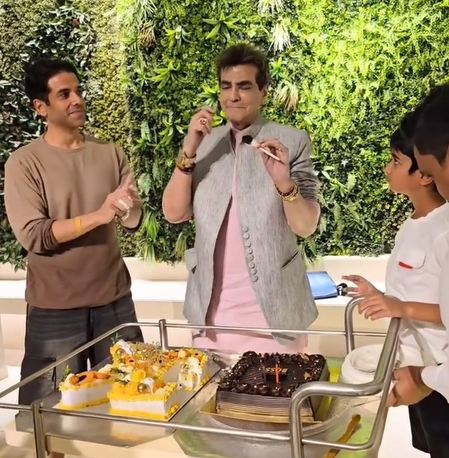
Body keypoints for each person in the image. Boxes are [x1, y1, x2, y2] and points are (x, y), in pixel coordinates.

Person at [4, 59, 144, 458]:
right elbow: (35, 235)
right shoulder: (24, 163)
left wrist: (128, 210)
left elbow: (133, 220)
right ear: (40, 107)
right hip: (55, 309)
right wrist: (99, 215)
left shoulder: (110, 153)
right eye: (64, 94)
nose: (76, 100)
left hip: (115, 302)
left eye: (78, 91)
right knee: (48, 422)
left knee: (131, 405)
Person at [162, 43, 320, 354]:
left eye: (244, 86)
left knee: (279, 387)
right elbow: (174, 213)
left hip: (276, 314)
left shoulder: (291, 140)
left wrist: (283, 182)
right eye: (226, 86)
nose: (233, 96)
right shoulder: (204, 143)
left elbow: (306, 226)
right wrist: (189, 150)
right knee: (211, 387)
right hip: (211, 314)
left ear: (263, 92)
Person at [343, 109, 449, 457]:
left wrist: (400, 306)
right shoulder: (411, 224)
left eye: (396, 161)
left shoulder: (444, 230)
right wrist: (380, 296)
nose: (387, 169)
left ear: (425, 173)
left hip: (438, 370)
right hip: (413, 362)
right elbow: (417, 291)